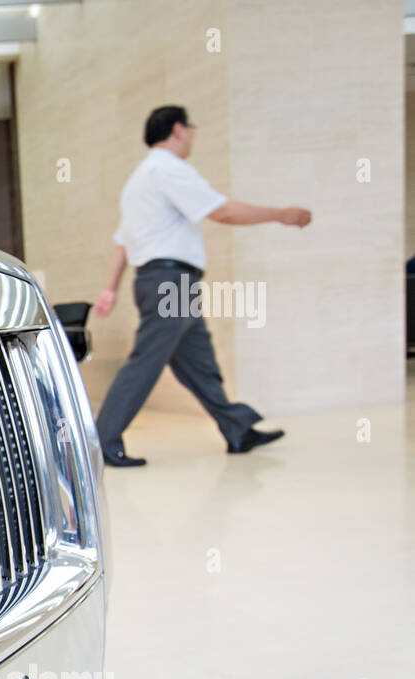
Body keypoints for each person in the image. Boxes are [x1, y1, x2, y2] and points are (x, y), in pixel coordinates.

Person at [91, 105, 311, 467]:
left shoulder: (138, 179)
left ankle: (236, 428)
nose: (192, 135)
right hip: (169, 281)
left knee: (199, 362)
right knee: (145, 363)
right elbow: (222, 211)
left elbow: (122, 243)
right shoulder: (169, 170)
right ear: (177, 129)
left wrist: (110, 288)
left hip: (162, 281)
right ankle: (103, 441)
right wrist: (281, 215)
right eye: (189, 128)